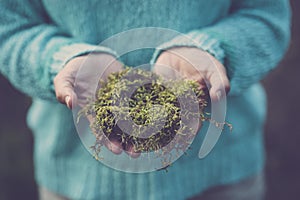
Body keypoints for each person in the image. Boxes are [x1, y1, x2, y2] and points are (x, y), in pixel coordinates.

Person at [0, 0, 290, 200]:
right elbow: (10, 27)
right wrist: (62, 61)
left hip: (221, 177)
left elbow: (266, 15)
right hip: (74, 181)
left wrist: (210, 50)